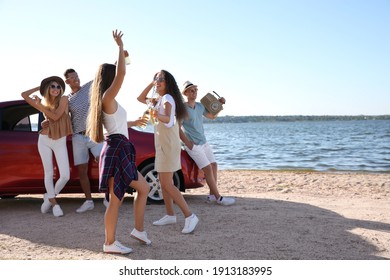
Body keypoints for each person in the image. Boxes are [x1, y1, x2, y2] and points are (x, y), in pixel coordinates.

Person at [86, 29, 151, 254]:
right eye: (114, 76)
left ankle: (139, 230)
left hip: (120, 147)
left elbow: (117, 125)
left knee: (144, 188)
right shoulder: (107, 97)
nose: (117, 79)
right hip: (117, 150)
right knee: (116, 200)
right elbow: (121, 76)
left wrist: (134, 122)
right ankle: (110, 243)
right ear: (109, 78)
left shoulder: (108, 101)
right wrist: (120, 47)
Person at [138, 70, 199, 234]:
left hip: (168, 146)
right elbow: (140, 98)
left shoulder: (167, 99)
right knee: (164, 181)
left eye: (161, 79)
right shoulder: (159, 99)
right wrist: (152, 83)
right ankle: (170, 215)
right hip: (164, 145)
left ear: (168, 82)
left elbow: (169, 119)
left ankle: (190, 215)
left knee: (166, 184)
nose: (158, 81)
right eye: (156, 78)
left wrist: (158, 115)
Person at [21, 76, 73, 217]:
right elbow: (24, 95)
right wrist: (40, 87)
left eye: (58, 86)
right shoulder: (43, 102)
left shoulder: (64, 99)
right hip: (44, 139)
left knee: (65, 176)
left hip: (60, 140)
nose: (56, 89)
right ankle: (55, 204)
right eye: (52, 86)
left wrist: (41, 106)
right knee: (48, 173)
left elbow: (55, 117)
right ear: (47, 89)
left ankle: (49, 197)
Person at [179, 81, 235, 206]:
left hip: (204, 142)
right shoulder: (182, 108)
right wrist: (188, 144)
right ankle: (219, 198)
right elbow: (178, 128)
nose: (194, 92)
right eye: (191, 90)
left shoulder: (199, 106)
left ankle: (211, 196)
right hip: (193, 145)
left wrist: (219, 105)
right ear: (186, 93)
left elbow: (211, 116)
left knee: (214, 165)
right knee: (208, 169)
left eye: (195, 90)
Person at [63, 68, 105, 213]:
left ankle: (108, 197)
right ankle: (88, 201)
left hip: (93, 134)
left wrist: (119, 61)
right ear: (67, 81)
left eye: (77, 76)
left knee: (105, 165)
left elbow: (103, 74)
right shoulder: (67, 99)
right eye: (72, 78)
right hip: (78, 137)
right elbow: (61, 117)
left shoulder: (88, 87)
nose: (76, 79)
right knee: (82, 171)